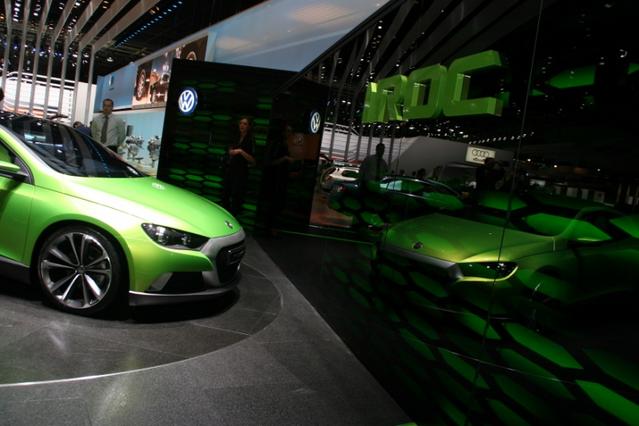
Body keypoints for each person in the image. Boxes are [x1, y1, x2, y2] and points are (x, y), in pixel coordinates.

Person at [221, 116, 256, 215]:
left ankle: (234, 217)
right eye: (240, 123)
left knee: (236, 197)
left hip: (241, 173)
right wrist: (230, 151)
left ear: (249, 126)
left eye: (245, 124)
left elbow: (253, 161)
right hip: (230, 170)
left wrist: (241, 151)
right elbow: (230, 150)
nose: (242, 125)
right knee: (225, 194)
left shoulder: (251, 140)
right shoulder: (235, 137)